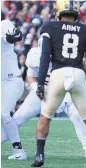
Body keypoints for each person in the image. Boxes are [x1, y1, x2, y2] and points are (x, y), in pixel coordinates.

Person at [31, 1, 86, 167]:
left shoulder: (50, 26)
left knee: (45, 117)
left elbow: (45, 57)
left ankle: (39, 155)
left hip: (58, 73)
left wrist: (40, 83)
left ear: (59, 10)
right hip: (78, 74)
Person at [1, 38, 86, 164]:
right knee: (17, 118)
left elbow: (76, 79)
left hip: (66, 91)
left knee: (77, 118)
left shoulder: (67, 56)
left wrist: (65, 97)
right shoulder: (34, 55)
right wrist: (36, 88)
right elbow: (31, 76)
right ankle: (17, 150)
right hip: (43, 91)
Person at [1, 19, 27, 160]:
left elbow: (15, 37)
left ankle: (18, 150)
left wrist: (8, 37)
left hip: (12, 80)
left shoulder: (4, 25)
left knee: (4, 113)